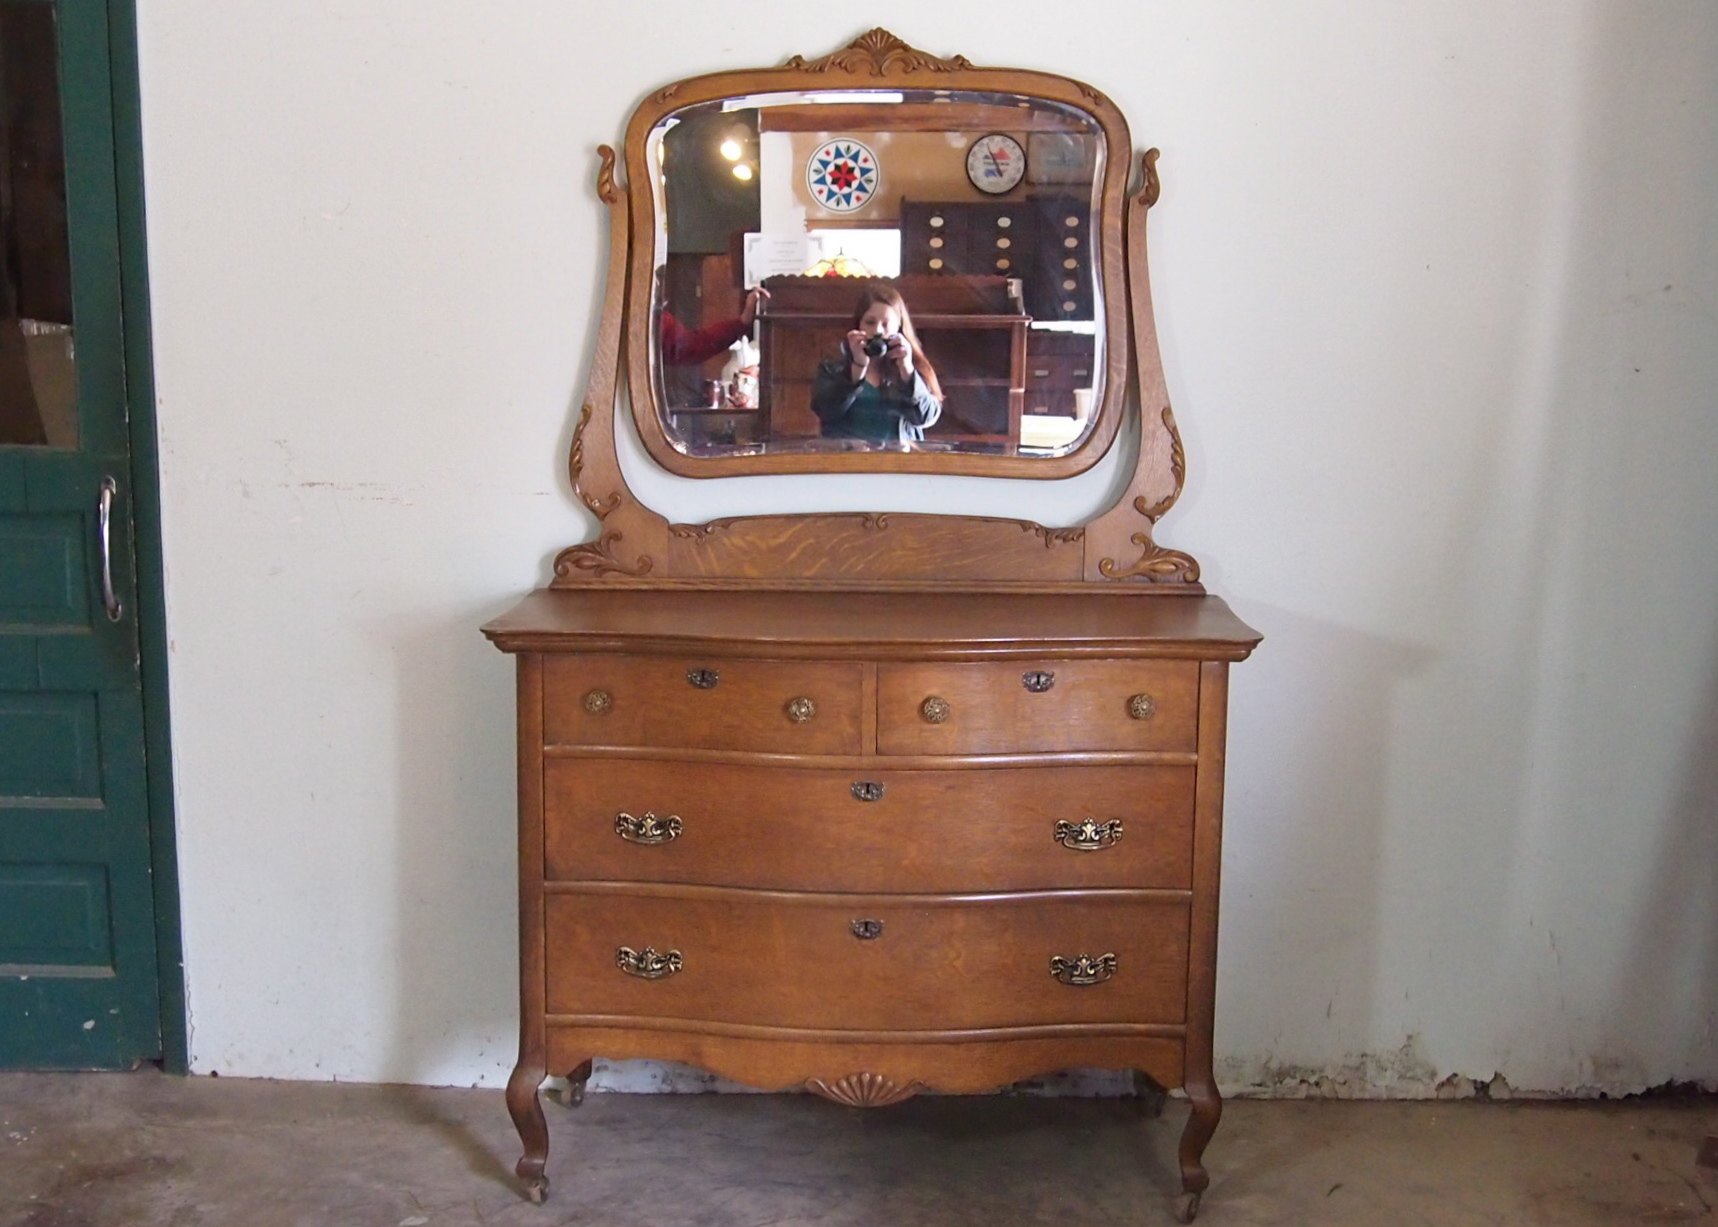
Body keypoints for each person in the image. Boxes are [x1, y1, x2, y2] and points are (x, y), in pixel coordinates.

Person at [809, 283, 943, 445]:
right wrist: (857, 368)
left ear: (898, 327)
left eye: (886, 324)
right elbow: (826, 411)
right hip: (848, 463)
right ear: (859, 324)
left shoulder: (911, 366)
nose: (877, 331)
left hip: (900, 463)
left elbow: (926, 418)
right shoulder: (833, 367)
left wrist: (907, 371)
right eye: (870, 322)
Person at [660, 286, 769, 366]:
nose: (657, 283)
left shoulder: (660, 319)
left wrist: (743, 321)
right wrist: (742, 322)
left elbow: (691, 345)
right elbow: (690, 347)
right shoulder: (657, 319)